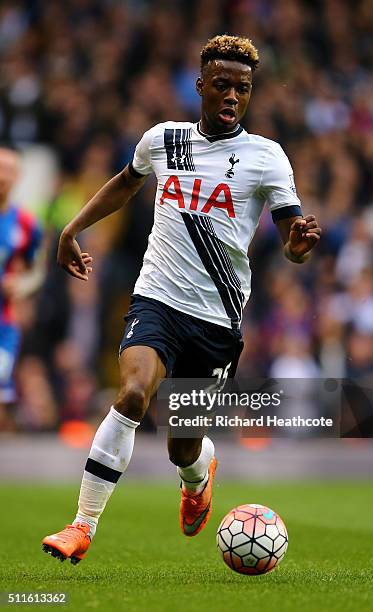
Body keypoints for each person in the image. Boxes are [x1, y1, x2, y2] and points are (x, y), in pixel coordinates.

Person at [42, 35, 321, 564]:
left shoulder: (266, 157)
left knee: (181, 444)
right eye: (221, 85)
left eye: (243, 88)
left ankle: (198, 475)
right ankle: (81, 526)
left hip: (216, 321)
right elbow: (126, 183)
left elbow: (292, 239)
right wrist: (71, 229)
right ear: (200, 87)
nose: (232, 96)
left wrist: (299, 249)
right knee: (131, 395)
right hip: (156, 300)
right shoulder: (163, 140)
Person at [0, 147, 43, 430]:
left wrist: (20, 286)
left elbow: (34, 271)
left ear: (18, 177)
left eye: (9, 170)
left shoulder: (26, 224)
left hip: (3, 324)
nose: (3, 176)